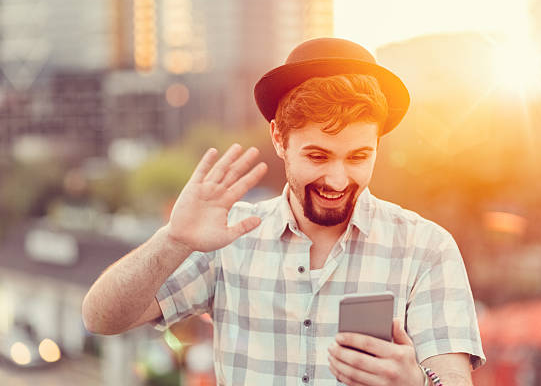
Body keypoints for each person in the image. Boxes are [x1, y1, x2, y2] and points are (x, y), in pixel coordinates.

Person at [82, 37, 485, 385]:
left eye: (359, 156)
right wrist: (173, 239)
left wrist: (415, 383)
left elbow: (451, 377)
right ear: (279, 138)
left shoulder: (427, 248)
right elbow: (101, 318)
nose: (338, 179)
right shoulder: (228, 236)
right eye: (317, 155)